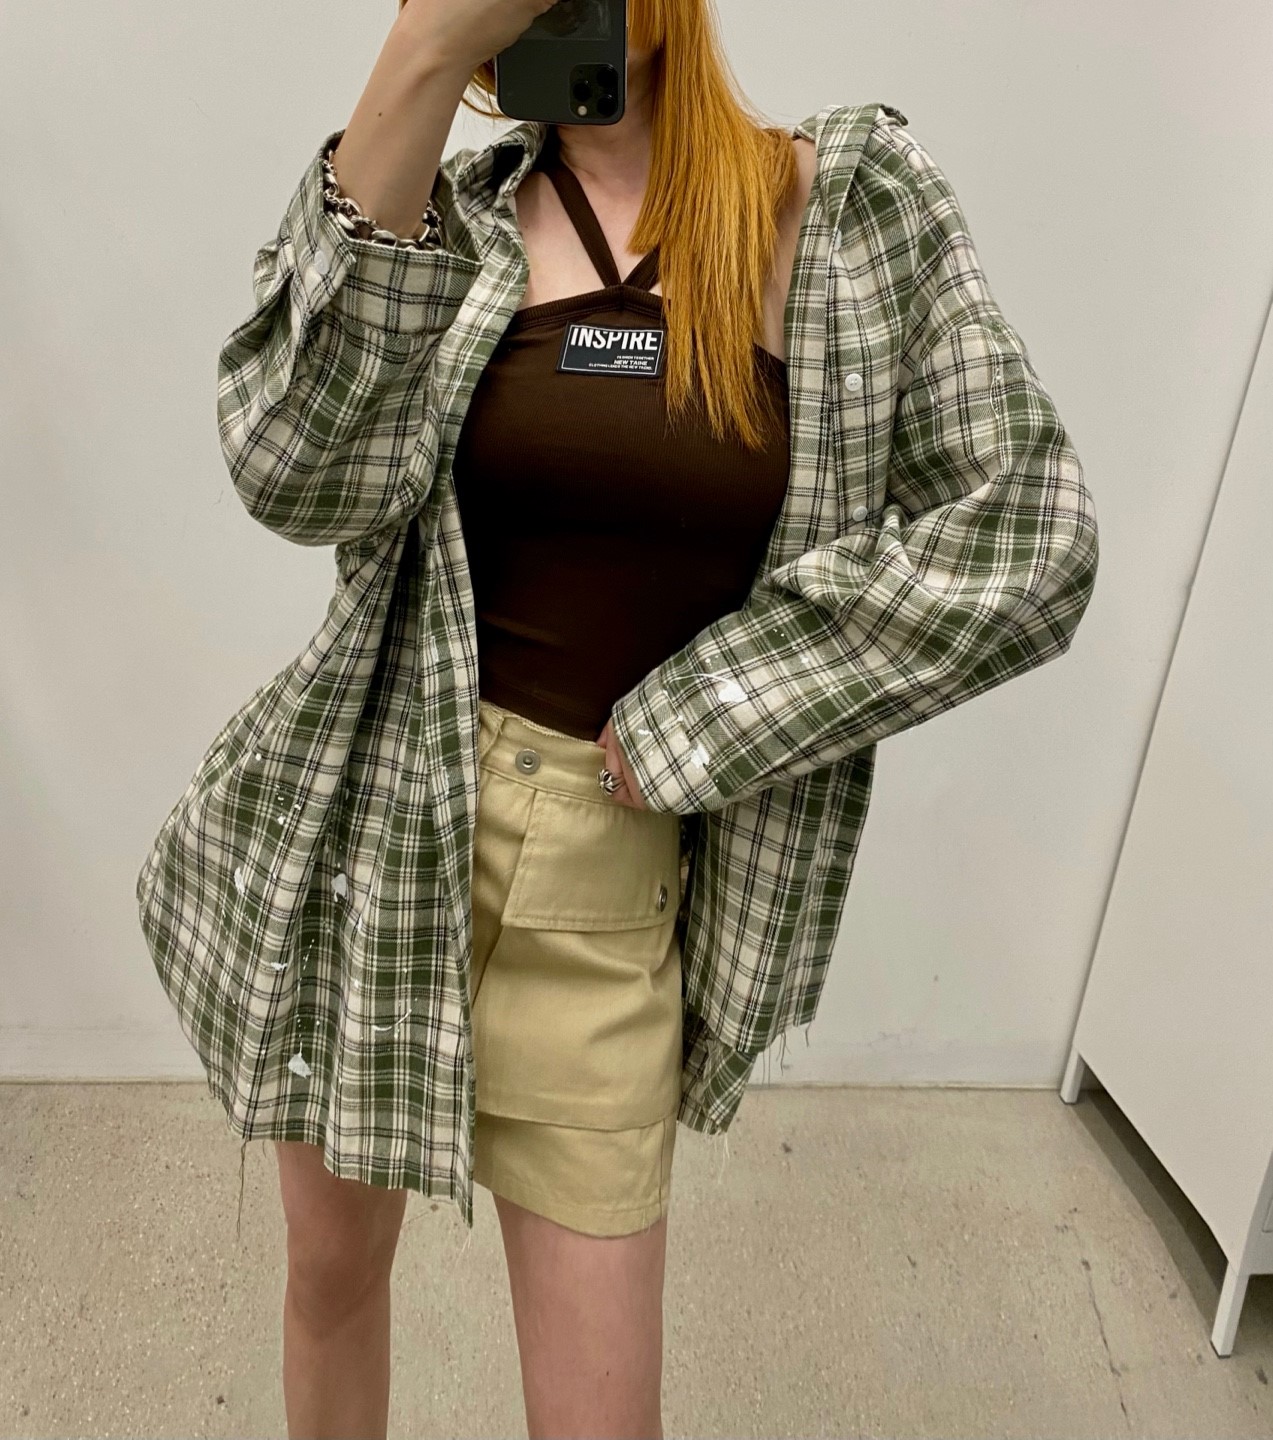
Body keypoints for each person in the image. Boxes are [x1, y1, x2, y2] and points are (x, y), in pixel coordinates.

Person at [135, 0, 1100, 1435]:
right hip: (371, 835)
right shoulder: (446, 223)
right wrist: (417, 60)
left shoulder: (838, 211)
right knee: (330, 1284)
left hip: (604, 879)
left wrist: (708, 712)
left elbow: (1030, 537)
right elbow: (292, 473)